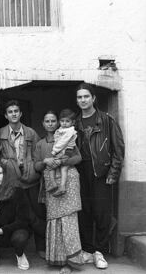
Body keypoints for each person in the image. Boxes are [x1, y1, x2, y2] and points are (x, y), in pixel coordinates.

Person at [75, 83, 125, 269]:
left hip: (101, 173)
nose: (82, 100)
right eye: (79, 97)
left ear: (93, 98)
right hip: (81, 172)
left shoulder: (106, 120)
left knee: (102, 214)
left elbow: (118, 149)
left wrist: (113, 174)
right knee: (84, 213)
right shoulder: (76, 123)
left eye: (86, 96)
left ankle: (100, 251)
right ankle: (88, 251)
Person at [34, 111, 84, 274]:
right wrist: (45, 162)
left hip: (68, 180)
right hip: (51, 184)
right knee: (55, 220)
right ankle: (58, 259)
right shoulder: (41, 144)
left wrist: (63, 161)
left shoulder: (67, 137)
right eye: (47, 121)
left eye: (53, 121)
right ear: (43, 123)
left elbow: (78, 158)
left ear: (58, 123)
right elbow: (35, 166)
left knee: (68, 219)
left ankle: (71, 261)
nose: (50, 123)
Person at [0, 99, 45, 258]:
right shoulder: (0, 134)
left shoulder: (31, 133)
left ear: (21, 113)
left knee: (37, 213)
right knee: (14, 215)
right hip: (11, 181)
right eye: (10, 112)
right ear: (6, 115)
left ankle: (41, 248)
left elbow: (39, 155)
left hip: (30, 179)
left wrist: (30, 165)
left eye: (16, 111)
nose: (13, 114)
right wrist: (9, 163)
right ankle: (14, 249)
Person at [46, 109, 78, 197]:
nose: (64, 123)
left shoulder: (70, 131)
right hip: (64, 151)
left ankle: (56, 184)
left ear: (73, 122)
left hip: (66, 151)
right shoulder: (62, 130)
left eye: (67, 121)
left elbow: (62, 142)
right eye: (62, 121)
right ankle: (59, 186)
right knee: (63, 168)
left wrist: (54, 151)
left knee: (51, 166)